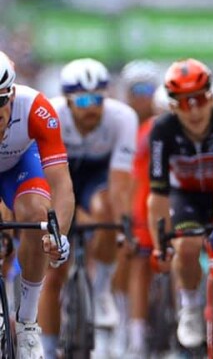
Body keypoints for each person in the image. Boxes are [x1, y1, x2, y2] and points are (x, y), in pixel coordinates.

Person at [39, 58, 137, 357]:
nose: (91, 108)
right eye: (83, 100)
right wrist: (67, 217)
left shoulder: (123, 117)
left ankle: (102, 288)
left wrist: (121, 225)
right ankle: (47, 346)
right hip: (56, 176)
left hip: (97, 178)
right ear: (67, 100)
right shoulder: (50, 115)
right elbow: (43, 181)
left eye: (98, 99)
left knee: (107, 213)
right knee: (54, 274)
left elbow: (120, 183)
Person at [0, 51, 73, 358]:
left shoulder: (37, 108)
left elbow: (62, 185)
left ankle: (28, 323)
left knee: (36, 214)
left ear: (12, 94)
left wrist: (59, 236)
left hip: (21, 168)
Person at [147, 58, 213, 349]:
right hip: (184, 196)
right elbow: (158, 194)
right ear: (172, 105)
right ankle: (189, 306)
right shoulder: (162, 130)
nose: (193, 110)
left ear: (211, 97)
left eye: (199, 99)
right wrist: (159, 245)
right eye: (183, 102)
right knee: (187, 245)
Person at [111, 59, 161, 357]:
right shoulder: (121, 124)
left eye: (148, 89)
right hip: (134, 202)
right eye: (136, 89)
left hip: (158, 201)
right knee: (133, 264)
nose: (142, 96)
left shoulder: (161, 123)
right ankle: (133, 331)